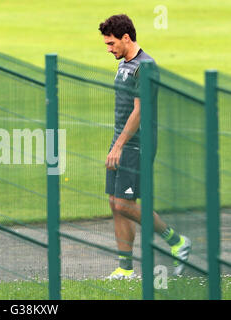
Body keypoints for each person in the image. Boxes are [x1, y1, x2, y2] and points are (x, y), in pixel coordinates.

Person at [98, 14, 191, 279]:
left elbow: (139, 112)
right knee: (115, 204)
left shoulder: (146, 67)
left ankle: (176, 241)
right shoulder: (124, 63)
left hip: (136, 144)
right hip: (120, 142)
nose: (109, 48)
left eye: (112, 43)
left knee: (126, 204)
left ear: (126, 38)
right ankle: (125, 270)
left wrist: (119, 145)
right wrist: (116, 143)